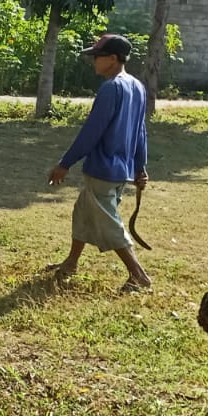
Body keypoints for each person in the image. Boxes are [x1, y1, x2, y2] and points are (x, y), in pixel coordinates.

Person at [46, 33, 152, 290]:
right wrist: (140, 167)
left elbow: (91, 132)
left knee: (108, 223)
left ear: (113, 59)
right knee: (83, 213)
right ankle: (71, 263)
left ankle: (139, 275)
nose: (93, 61)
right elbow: (140, 131)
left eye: (97, 56)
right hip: (120, 171)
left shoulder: (111, 88)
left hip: (103, 169)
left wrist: (65, 163)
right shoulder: (137, 86)